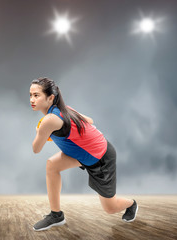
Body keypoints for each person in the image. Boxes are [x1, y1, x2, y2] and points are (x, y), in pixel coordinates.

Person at [30, 77, 138, 231]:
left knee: (110, 208)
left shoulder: (49, 121)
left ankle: (132, 204)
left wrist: (39, 132)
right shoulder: (64, 109)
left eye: (36, 95)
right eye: (30, 95)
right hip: (84, 154)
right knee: (52, 165)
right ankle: (56, 215)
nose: (32, 99)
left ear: (50, 98)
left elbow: (36, 149)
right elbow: (90, 121)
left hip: (101, 158)